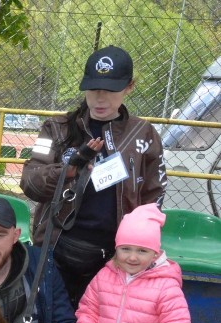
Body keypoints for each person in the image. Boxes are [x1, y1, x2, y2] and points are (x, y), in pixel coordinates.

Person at [20, 45, 167, 308]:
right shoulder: (56, 128)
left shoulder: (144, 134)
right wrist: (68, 170)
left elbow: (153, 198)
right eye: (93, 89)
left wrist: (137, 248)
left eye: (111, 90)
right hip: (56, 247)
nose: (101, 99)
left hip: (115, 257)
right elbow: (30, 183)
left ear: (129, 87)